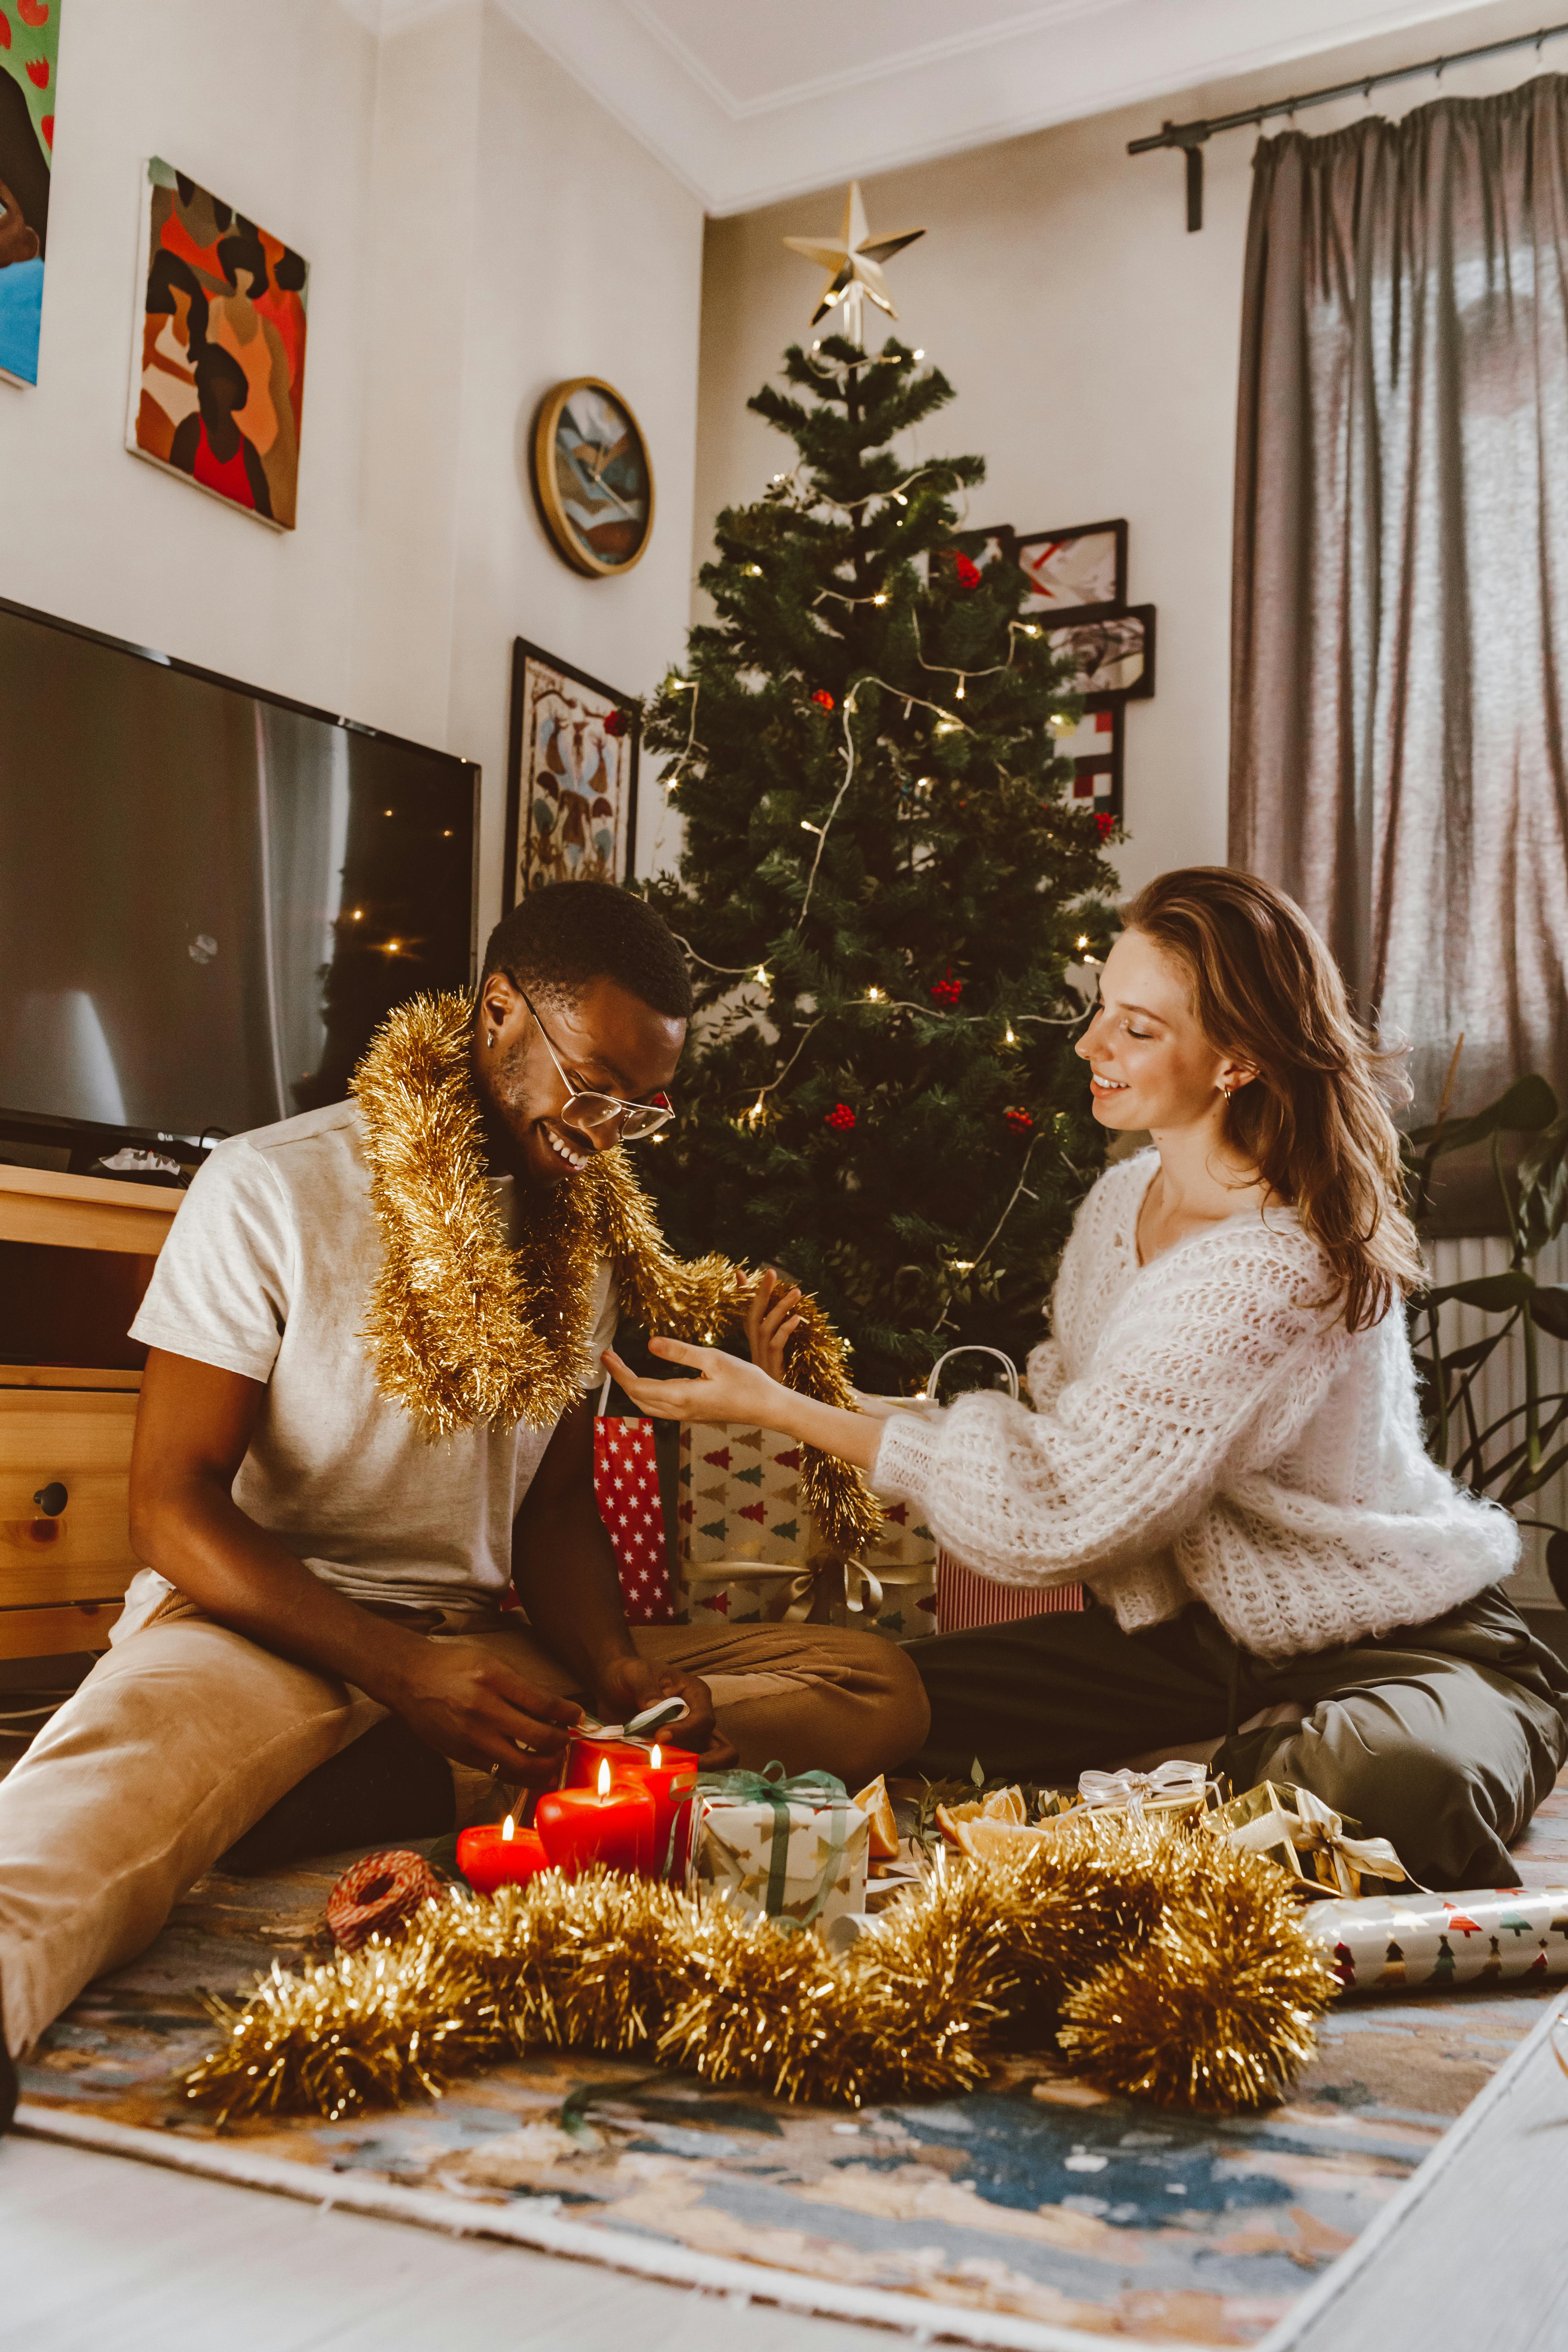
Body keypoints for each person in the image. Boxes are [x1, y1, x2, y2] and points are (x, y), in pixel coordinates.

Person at [0, 883, 926, 2125]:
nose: (609, 1131)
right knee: (91, 1805)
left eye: (641, 1108)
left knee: (876, 1687)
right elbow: (170, 1510)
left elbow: (548, 1518)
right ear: (498, 1016)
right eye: (593, 1086)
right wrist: (399, 1673)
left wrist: (611, 1674)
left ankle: (366, 1786)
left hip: (477, 1646)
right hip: (260, 1632)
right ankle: (381, 1780)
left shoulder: (581, 1238)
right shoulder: (271, 1188)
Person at [608, 867, 1568, 1892]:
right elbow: (1060, 1428)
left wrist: (784, 1413)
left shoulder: (1275, 1265)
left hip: (1400, 1643)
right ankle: (1214, 1771)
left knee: (1399, 1780)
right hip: (1187, 1651)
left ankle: (1231, 1773)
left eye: (1137, 1030)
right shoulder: (1123, 1203)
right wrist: (830, 1405)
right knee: (891, 1701)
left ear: (1238, 1057)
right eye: (1100, 1010)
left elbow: (1067, 1507)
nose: (1090, 1047)